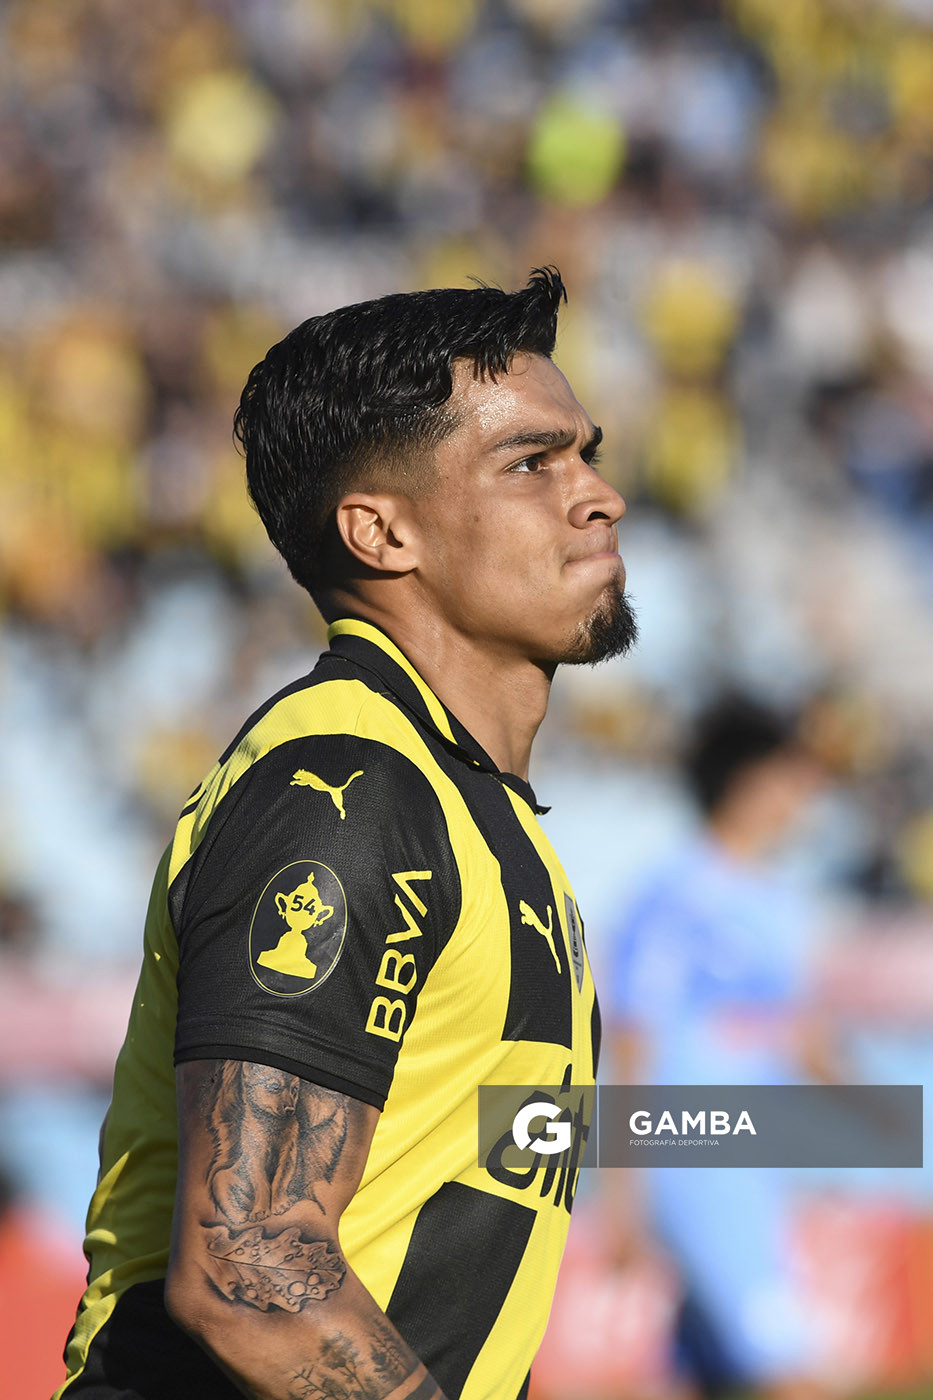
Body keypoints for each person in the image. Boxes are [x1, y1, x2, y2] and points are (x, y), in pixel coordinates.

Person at [58, 268, 637, 1400]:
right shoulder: (346, 787)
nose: (601, 493)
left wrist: (847, 1121)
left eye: (586, 451)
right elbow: (249, 1263)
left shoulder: (468, 807)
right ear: (380, 530)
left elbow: (485, 1149)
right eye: (533, 462)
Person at [607, 695, 839, 1400]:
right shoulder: (679, 893)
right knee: (789, 1375)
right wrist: (623, 1190)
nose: (805, 796)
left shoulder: (772, 897)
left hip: (745, 1160)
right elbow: (632, 1035)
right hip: (697, 1152)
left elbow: (790, 1030)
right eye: (791, 775)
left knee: (707, 1371)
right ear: (749, 782)